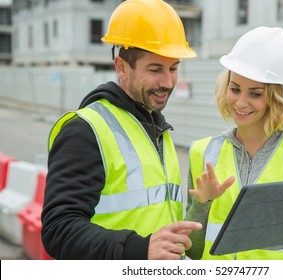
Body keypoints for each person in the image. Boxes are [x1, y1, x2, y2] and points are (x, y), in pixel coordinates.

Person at [41, 0, 202, 260]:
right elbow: (59, 230)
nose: (168, 82)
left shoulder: (156, 128)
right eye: (155, 69)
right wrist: (139, 249)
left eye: (173, 68)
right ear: (121, 67)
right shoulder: (85, 130)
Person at [185, 26, 283, 260]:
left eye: (255, 94)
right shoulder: (203, 152)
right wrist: (201, 204)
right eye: (235, 89)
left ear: (276, 96)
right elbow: (193, 251)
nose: (240, 102)